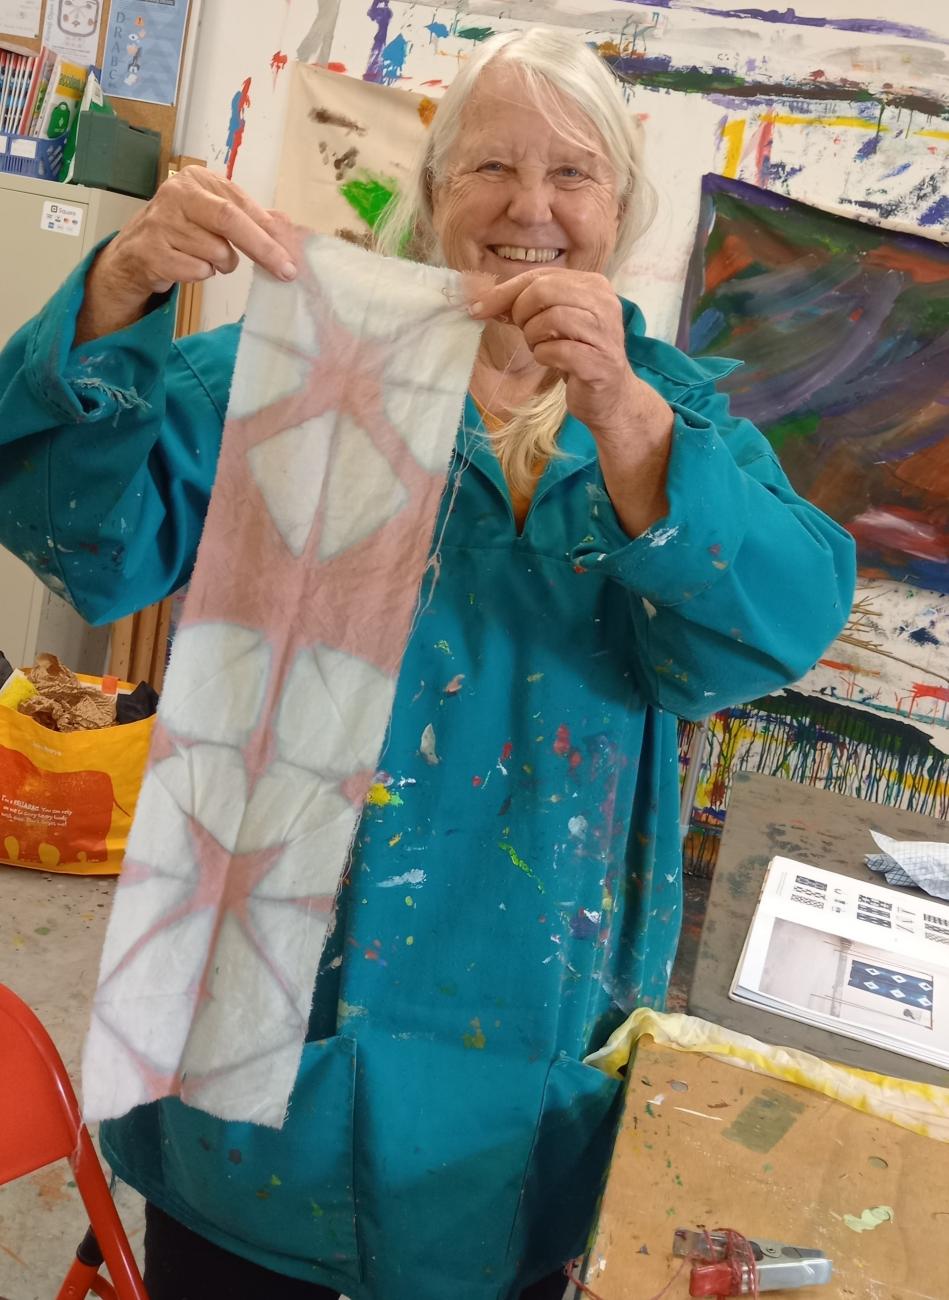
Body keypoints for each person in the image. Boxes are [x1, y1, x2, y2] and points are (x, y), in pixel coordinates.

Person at [0, 26, 855, 1300]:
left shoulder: (669, 410)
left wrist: (625, 420)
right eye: (489, 168)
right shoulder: (299, 359)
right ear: (434, 192)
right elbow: (87, 537)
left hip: (520, 1041)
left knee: (484, 1244)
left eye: (574, 174)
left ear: (621, 210)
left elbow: (774, 624)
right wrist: (118, 288)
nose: (531, 206)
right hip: (258, 1013)